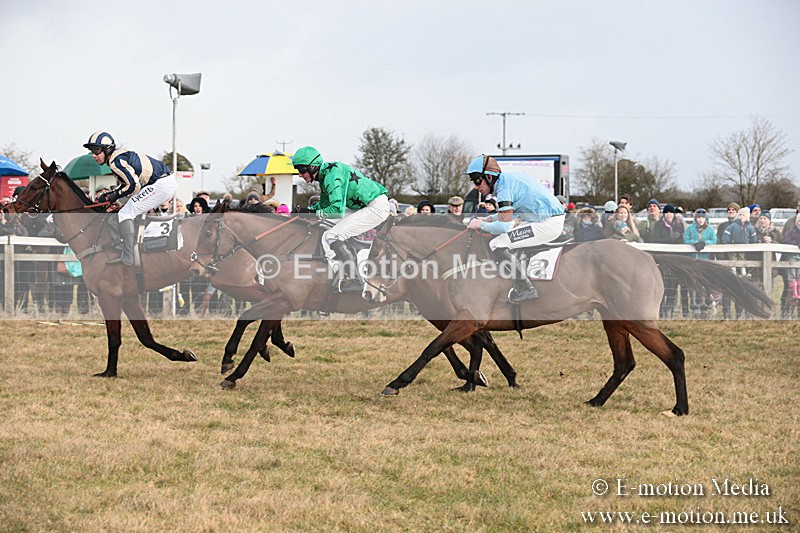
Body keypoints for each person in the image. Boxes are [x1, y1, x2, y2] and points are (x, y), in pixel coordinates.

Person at [465, 154, 565, 303]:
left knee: (497, 243)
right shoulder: (507, 181)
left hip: (548, 224)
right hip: (545, 220)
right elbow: (509, 213)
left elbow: (503, 226)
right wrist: (488, 219)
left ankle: (526, 287)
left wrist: (481, 225)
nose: (476, 186)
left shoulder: (504, 189)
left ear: (490, 178)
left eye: (477, 181)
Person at [292, 145, 391, 293]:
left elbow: (337, 211)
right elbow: (325, 205)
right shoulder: (326, 175)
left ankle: (355, 279)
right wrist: (305, 211)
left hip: (375, 207)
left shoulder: (332, 176)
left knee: (331, 235)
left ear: (312, 167)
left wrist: (310, 212)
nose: (299, 175)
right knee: (324, 226)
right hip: (364, 206)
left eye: (301, 170)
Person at [84, 131, 176, 266]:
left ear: (107, 149)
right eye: (92, 151)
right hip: (162, 182)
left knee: (125, 213)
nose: (94, 155)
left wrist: (114, 195)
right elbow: (127, 184)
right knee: (129, 209)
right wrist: (112, 193)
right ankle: (137, 246)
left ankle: (129, 255)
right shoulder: (117, 157)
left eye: (97, 151)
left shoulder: (115, 163)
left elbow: (134, 185)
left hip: (161, 184)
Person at [682, 209, 717, 318]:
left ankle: (704, 307)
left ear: (705, 218)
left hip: (704, 259)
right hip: (692, 260)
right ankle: (694, 307)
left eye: (702, 217)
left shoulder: (709, 229)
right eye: (698, 217)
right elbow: (685, 239)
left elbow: (714, 240)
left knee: (702, 283)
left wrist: (705, 243)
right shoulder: (690, 228)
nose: (700, 220)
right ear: (695, 218)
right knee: (693, 283)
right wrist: (694, 243)